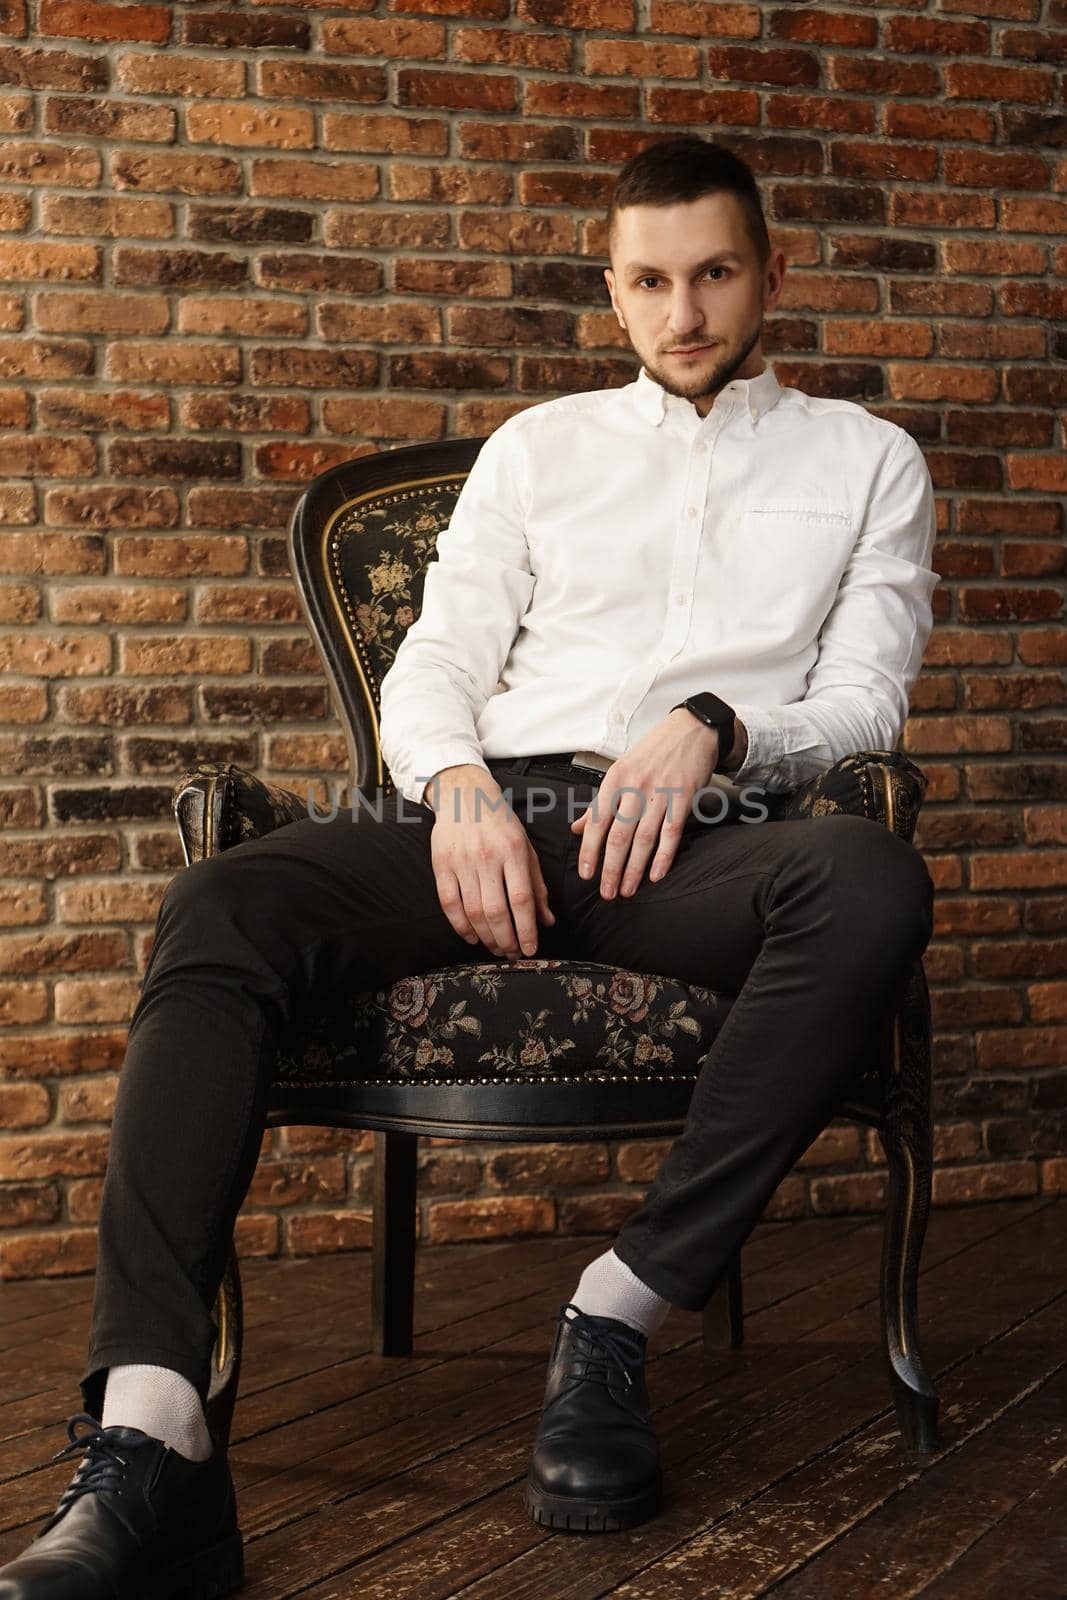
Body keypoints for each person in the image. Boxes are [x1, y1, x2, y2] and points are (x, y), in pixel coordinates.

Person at [0, 135, 938, 1595]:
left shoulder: (868, 460)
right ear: (613, 291)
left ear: (767, 275)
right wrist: (454, 790)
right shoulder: (539, 450)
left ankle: (616, 1317)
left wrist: (718, 726)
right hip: (477, 826)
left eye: (713, 274)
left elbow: (871, 698)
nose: (682, 312)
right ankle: (152, 1428)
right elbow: (433, 663)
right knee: (221, 899)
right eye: (649, 281)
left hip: (704, 846)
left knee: (873, 881)